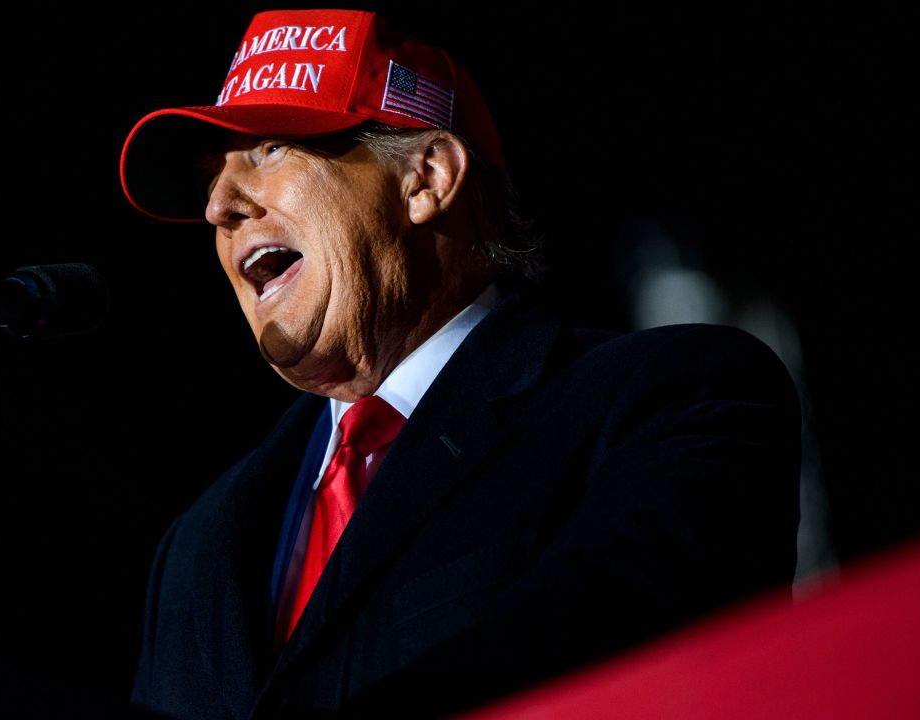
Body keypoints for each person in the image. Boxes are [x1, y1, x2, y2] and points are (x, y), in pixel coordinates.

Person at [118, 8, 800, 719]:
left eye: (267, 150)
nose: (219, 206)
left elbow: (610, 664)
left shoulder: (668, 397)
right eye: (211, 178)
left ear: (427, 178)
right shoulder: (196, 549)